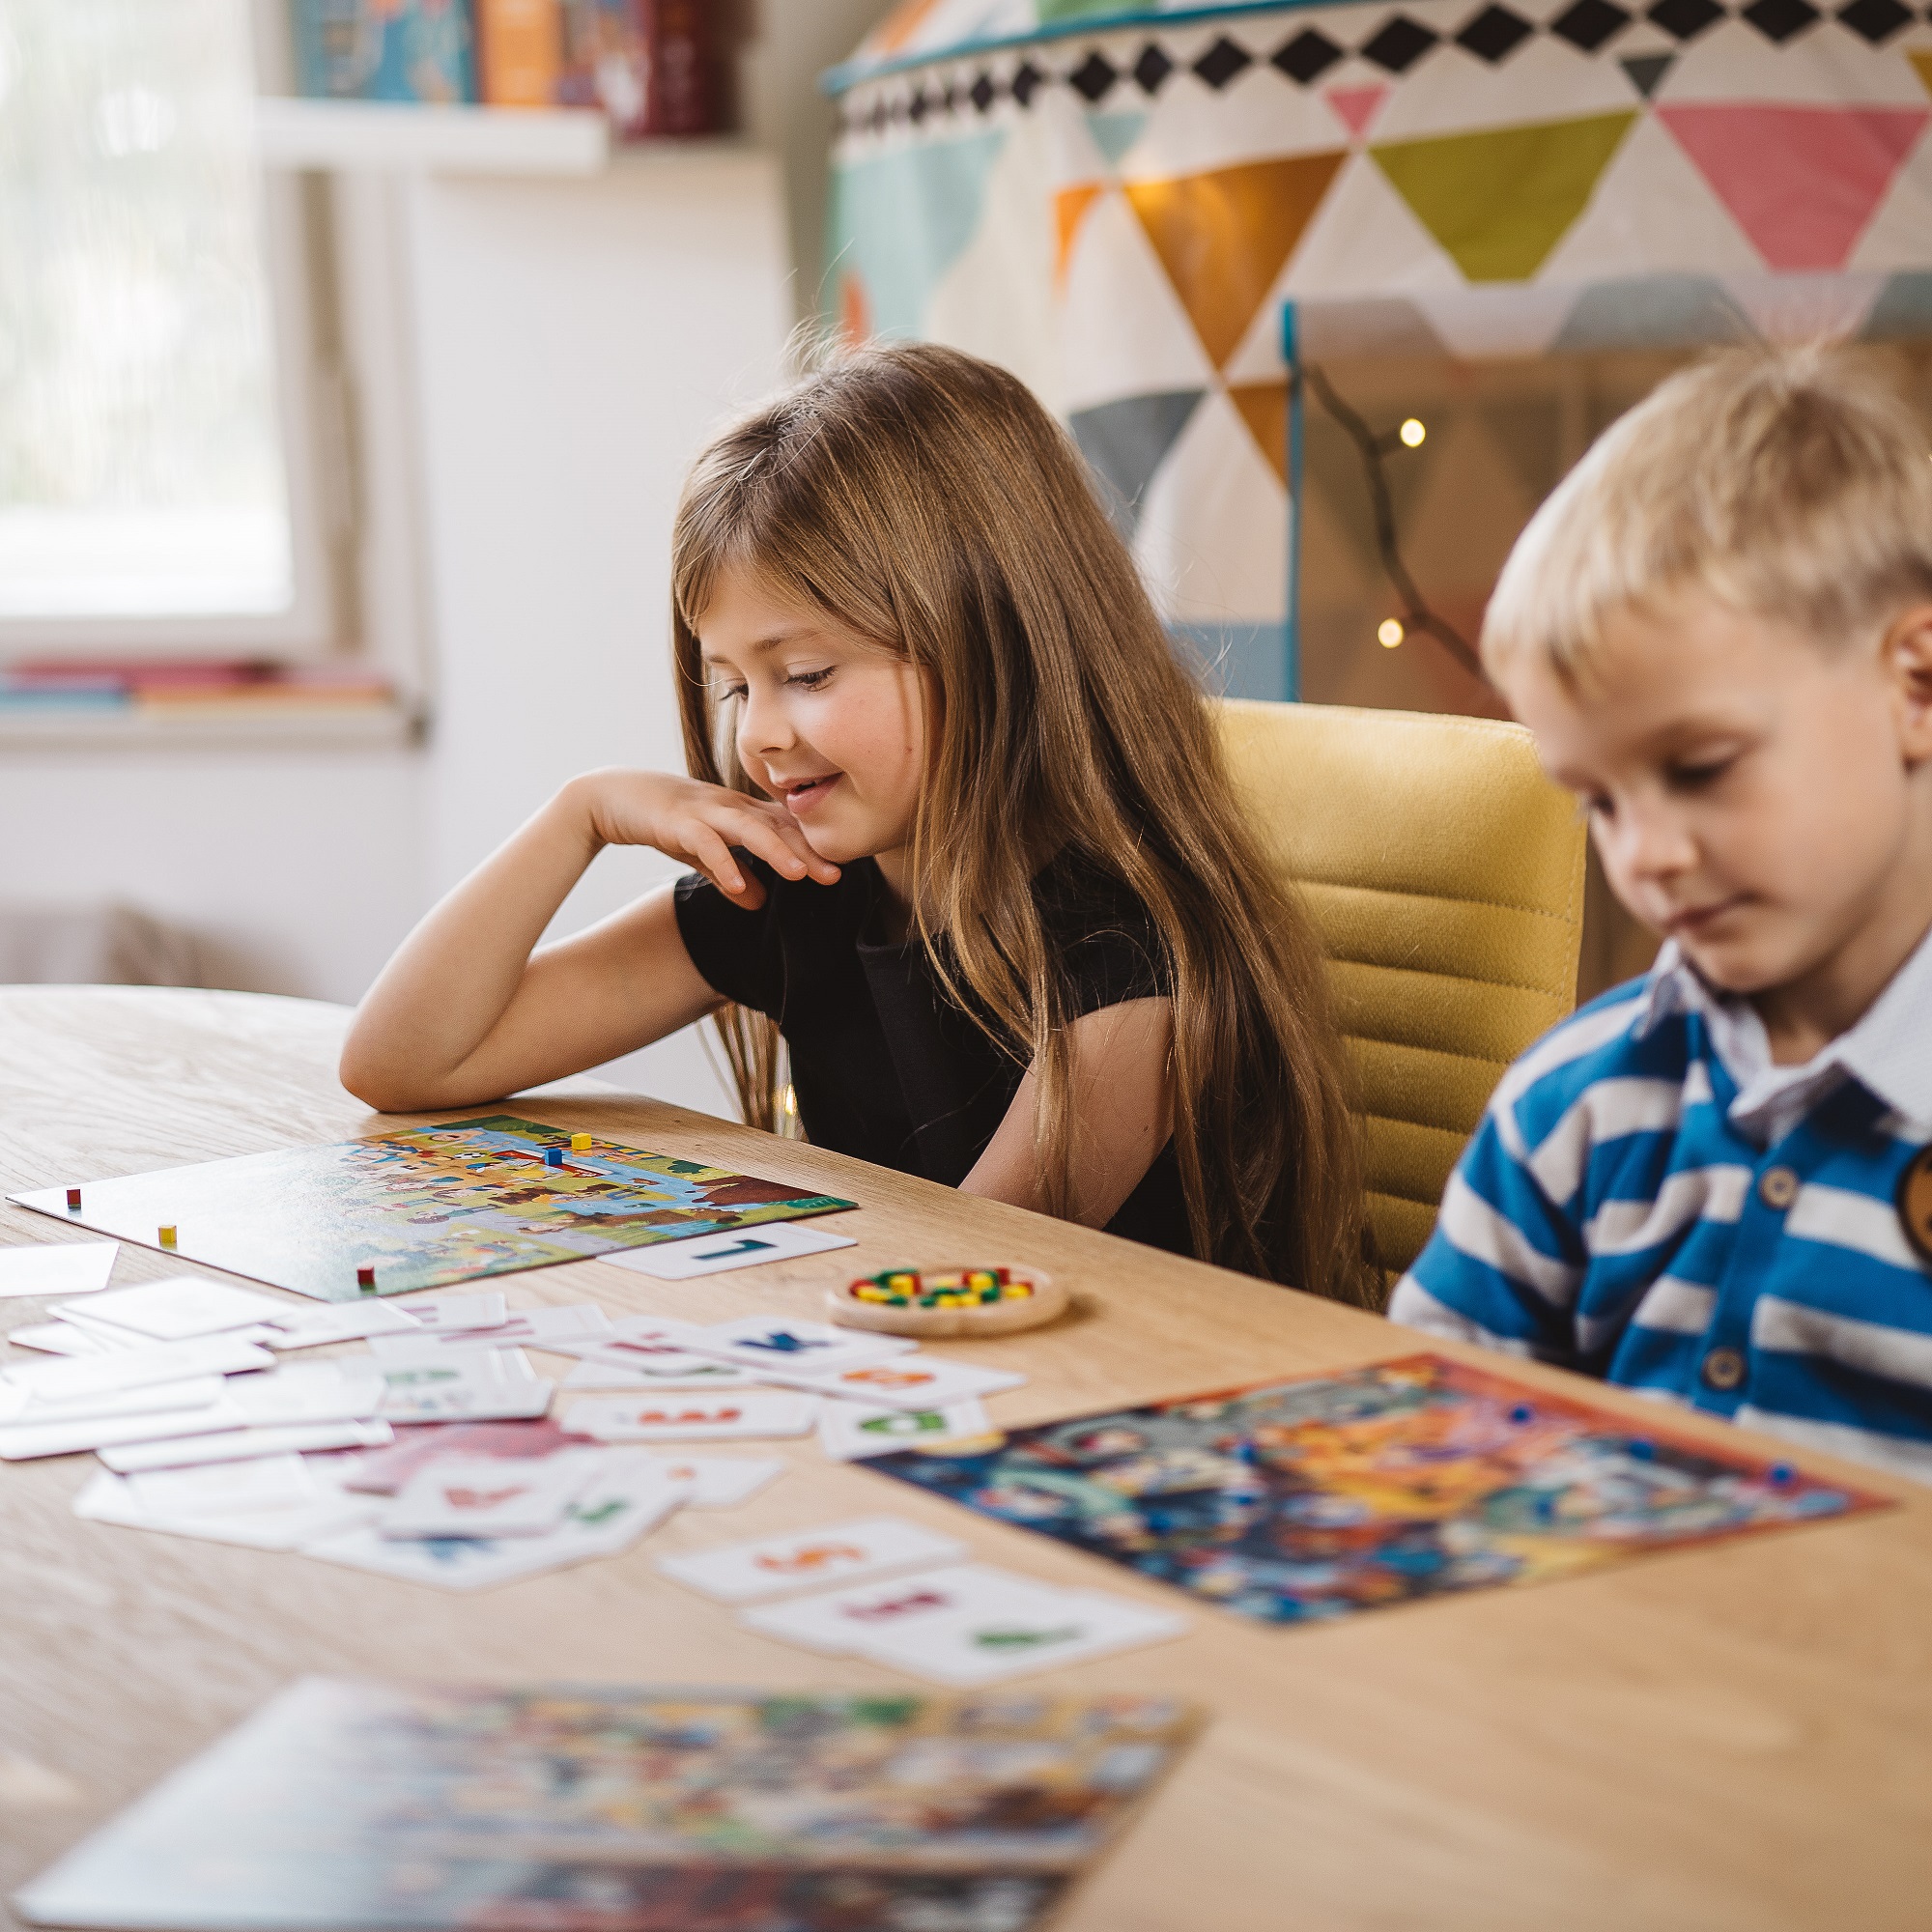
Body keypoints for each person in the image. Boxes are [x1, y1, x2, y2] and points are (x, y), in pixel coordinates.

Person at [342, 341, 1376, 1302]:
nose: (758, 738)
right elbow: (402, 1063)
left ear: (992, 633)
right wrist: (578, 817)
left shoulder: (1125, 955)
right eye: (734, 687)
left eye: (803, 674)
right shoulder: (797, 888)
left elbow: (958, 1273)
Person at [1389, 344, 1932, 1478]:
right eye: (1597, 801)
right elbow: (1423, 1438)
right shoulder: (1573, 1103)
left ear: (1912, 683)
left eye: (1699, 767)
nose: (1647, 856)